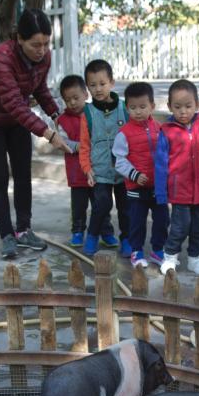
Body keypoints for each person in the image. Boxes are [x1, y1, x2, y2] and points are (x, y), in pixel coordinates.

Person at [0, 8, 71, 258]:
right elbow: (15, 104)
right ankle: (6, 235)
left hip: (17, 120)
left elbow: (40, 90)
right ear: (19, 39)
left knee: (23, 174)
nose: (42, 50)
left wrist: (59, 116)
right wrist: (49, 134)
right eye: (36, 44)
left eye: (46, 44)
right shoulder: (0, 60)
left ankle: (24, 230)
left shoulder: (43, 58)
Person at [154, 79, 199, 276]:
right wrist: (160, 192)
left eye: (188, 106)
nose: (183, 111)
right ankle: (170, 257)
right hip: (180, 191)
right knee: (180, 226)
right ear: (169, 107)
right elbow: (160, 164)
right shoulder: (166, 132)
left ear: (197, 105)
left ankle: (195, 259)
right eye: (177, 107)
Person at [113, 82, 169, 268]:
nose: (138, 111)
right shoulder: (124, 134)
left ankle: (157, 250)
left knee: (162, 220)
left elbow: (166, 153)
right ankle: (136, 251)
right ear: (126, 108)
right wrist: (134, 175)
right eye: (133, 107)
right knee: (136, 222)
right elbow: (119, 160)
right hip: (136, 189)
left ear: (152, 106)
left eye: (143, 107)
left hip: (158, 187)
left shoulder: (160, 128)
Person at [79, 59, 130, 257]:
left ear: (112, 83)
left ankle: (126, 238)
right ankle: (92, 235)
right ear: (87, 88)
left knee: (126, 208)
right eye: (92, 85)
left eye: (102, 83)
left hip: (124, 172)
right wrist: (87, 168)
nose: (98, 89)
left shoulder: (125, 109)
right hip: (99, 172)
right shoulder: (88, 114)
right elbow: (84, 146)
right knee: (101, 205)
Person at [56, 74, 92, 248]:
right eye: (68, 99)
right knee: (78, 207)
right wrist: (82, 146)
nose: (73, 103)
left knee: (101, 204)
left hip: (96, 171)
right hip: (77, 174)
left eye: (76, 98)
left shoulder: (95, 113)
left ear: (86, 94)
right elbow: (63, 142)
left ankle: (106, 231)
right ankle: (77, 232)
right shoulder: (62, 121)